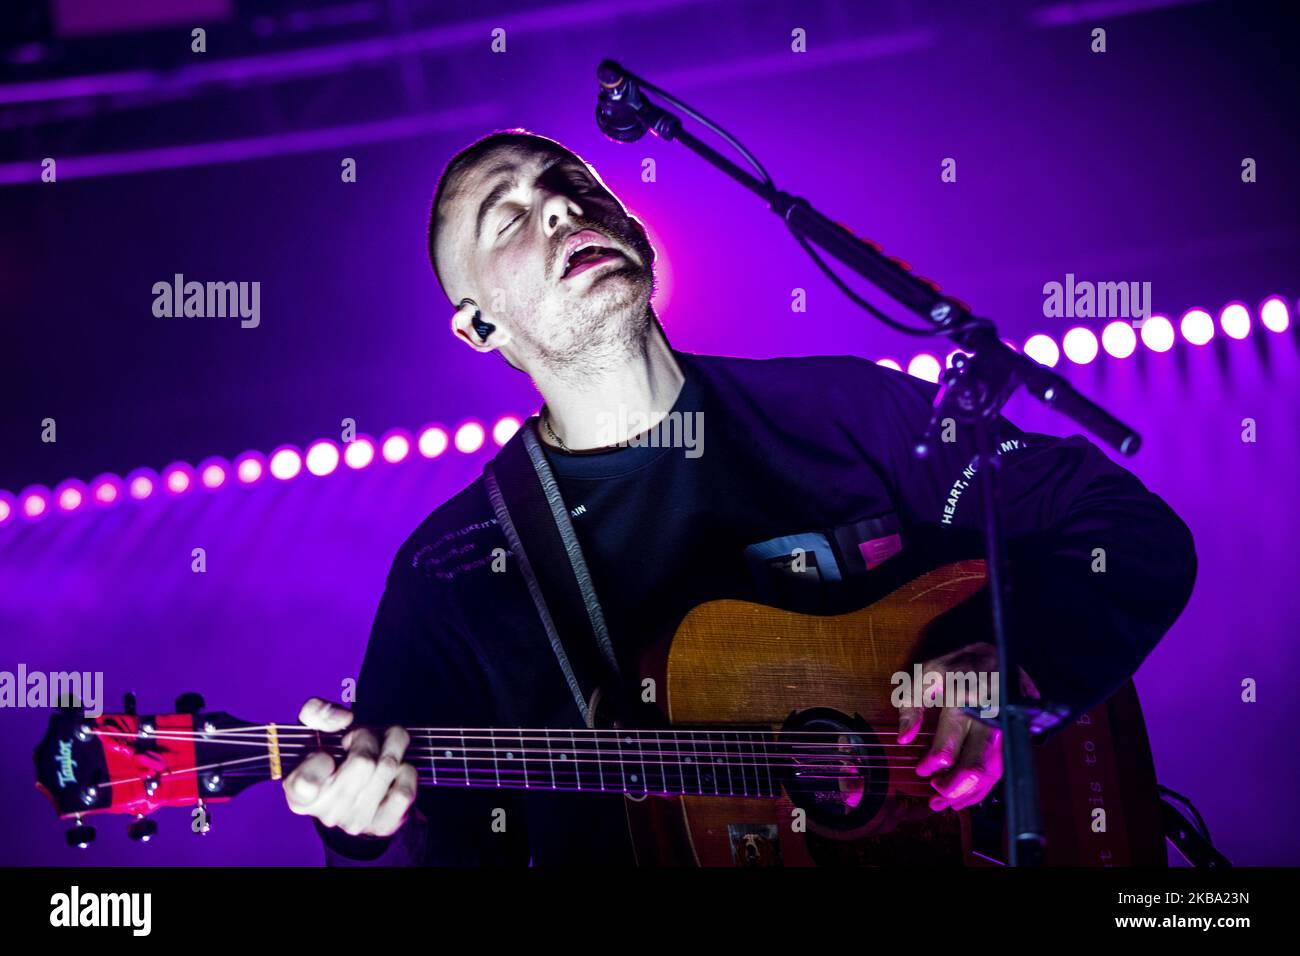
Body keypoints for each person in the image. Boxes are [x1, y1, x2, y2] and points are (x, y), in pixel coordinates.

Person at [282, 129, 1197, 865]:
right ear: (480, 324)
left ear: (634, 228)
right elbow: (434, 839)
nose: (559, 204)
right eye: (507, 216)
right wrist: (364, 831)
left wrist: (1017, 663)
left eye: (571, 182)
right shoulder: (453, 569)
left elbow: (1125, 530)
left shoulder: (846, 408)